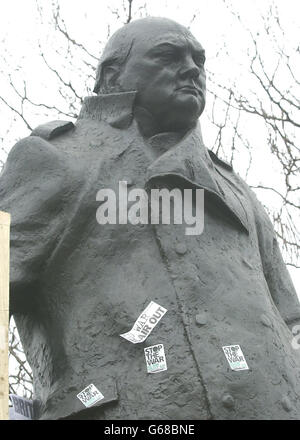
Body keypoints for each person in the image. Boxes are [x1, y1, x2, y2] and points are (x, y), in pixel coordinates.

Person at [1, 17, 300, 420]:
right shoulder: (59, 160)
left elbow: (290, 319)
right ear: (112, 75)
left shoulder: (235, 187)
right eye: (168, 56)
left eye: (199, 60)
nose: (192, 69)